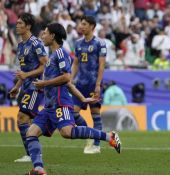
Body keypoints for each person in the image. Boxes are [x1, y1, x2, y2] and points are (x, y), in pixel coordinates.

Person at [26, 23, 121, 175]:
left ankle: (109, 136)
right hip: (49, 106)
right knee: (31, 133)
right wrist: (82, 98)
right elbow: (69, 84)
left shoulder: (61, 54)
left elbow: (66, 77)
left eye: (45, 33)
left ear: (52, 36)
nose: (42, 36)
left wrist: (44, 83)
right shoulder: (51, 57)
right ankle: (39, 169)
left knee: (67, 132)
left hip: (60, 103)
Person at [9, 13, 48, 163]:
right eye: (17, 23)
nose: (17, 25)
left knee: (22, 118)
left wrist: (26, 76)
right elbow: (23, 71)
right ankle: (33, 153)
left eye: (20, 23)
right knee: (28, 121)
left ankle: (31, 155)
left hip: (35, 86)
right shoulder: (20, 45)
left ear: (28, 26)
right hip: (25, 86)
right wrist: (17, 86)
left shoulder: (36, 43)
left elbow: (44, 66)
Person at [71, 15, 106, 154]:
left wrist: (98, 84)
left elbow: (102, 65)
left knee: (95, 114)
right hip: (80, 84)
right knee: (73, 113)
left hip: (93, 84)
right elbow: (75, 63)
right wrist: (70, 79)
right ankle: (88, 135)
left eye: (84, 24)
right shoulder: (78, 43)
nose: (81, 26)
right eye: (81, 24)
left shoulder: (100, 43)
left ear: (92, 26)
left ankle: (96, 146)